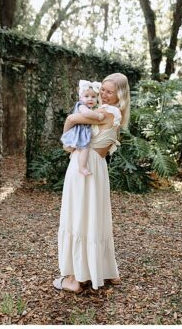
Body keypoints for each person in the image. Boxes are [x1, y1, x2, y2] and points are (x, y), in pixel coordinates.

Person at [54, 72, 130, 294]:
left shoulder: (105, 111)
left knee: (78, 215)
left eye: (110, 91)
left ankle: (75, 279)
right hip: (97, 166)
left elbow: (71, 120)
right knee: (94, 217)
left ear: (120, 95)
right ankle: (107, 270)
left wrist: (69, 125)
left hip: (83, 167)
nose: (104, 95)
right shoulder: (117, 113)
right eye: (102, 90)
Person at [60, 80, 100, 177]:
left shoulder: (91, 108)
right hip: (78, 132)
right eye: (86, 96)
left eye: (93, 97)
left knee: (82, 149)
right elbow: (86, 114)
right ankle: (82, 167)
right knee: (84, 149)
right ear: (80, 98)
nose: (90, 99)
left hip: (82, 132)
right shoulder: (81, 106)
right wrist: (98, 116)